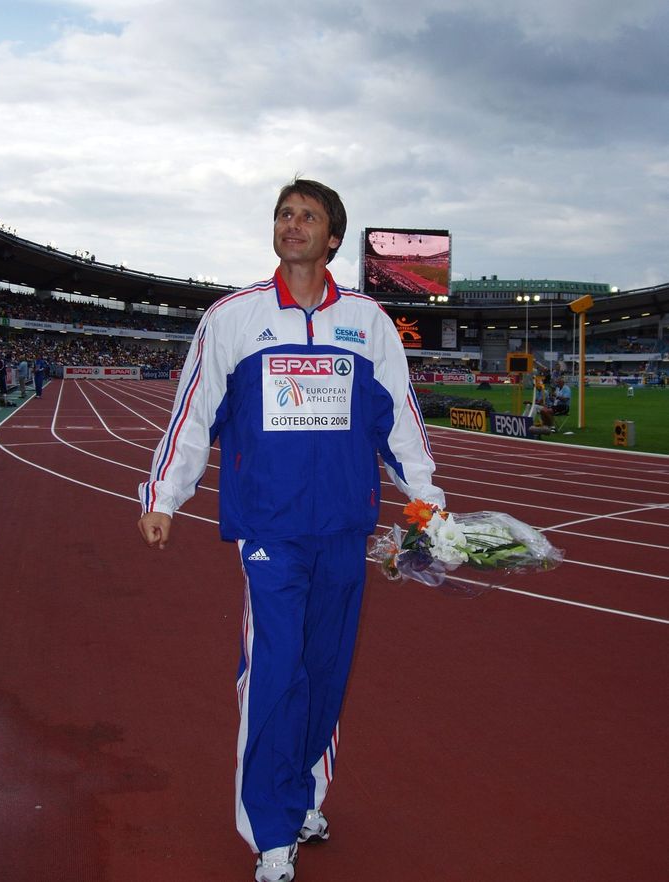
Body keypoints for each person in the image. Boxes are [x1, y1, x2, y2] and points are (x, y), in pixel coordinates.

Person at [137, 178, 446, 882]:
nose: (293, 223)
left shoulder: (367, 323)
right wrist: (165, 493)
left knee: (325, 673)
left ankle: (303, 794)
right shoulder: (234, 318)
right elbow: (194, 413)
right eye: (284, 213)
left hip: (345, 526)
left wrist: (425, 498)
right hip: (270, 530)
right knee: (275, 673)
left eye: (308, 215)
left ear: (333, 237)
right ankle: (271, 830)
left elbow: (398, 419)